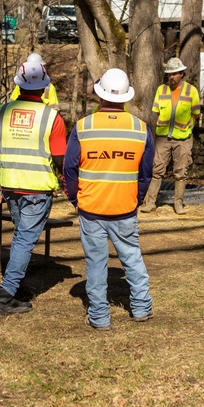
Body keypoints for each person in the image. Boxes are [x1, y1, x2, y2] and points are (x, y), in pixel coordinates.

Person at [65, 68, 155, 330]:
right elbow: (145, 173)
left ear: (100, 94)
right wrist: (136, 198)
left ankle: (99, 316)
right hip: (125, 206)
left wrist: (75, 199)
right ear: (126, 96)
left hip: (91, 206)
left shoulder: (84, 126)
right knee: (132, 258)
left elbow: (70, 168)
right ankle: (141, 308)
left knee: (95, 263)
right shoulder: (140, 128)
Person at [0, 61, 67, 316]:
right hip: (37, 189)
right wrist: (69, 182)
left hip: (10, 186)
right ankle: (5, 296)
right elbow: (60, 157)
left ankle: (15, 287)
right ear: (44, 88)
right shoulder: (51, 117)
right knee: (23, 241)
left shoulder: (2, 112)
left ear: (18, 85)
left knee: (21, 237)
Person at [140, 57, 200, 215]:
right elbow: (157, 112)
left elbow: (196, 114)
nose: (171, 77)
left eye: (174, 74)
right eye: (169, 74)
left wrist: (186, 128)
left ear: (182, 74)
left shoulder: (191, 91)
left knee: (181, 171)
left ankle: (178, 204)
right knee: (157, 169)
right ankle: (150, 203)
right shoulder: (161, 90)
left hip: (183, 138)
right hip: (163, 138)